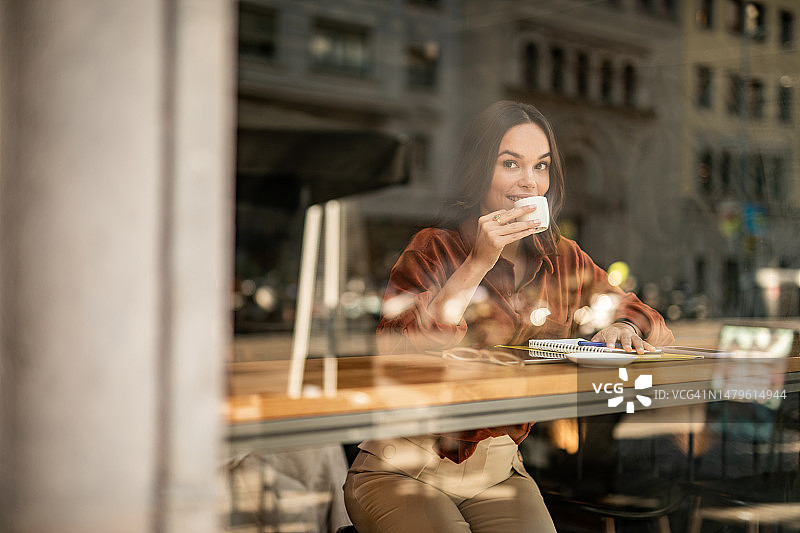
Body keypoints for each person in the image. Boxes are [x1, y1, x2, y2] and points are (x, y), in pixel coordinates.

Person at [343, 100, 675, 532]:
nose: (529, 182)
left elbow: (653, 322)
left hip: (497, 472)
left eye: (541, 166)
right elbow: (401, 352)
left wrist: (623, 324)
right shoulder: (434, 247)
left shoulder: (563, 259)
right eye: (510, 163)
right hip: (403, 466)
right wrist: (478, 262)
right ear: (480, 171)